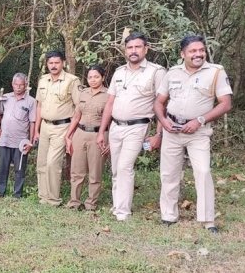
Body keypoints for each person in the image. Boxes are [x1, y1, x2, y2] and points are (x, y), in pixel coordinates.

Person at [154, 35, 233, 233]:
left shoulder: (215, 72)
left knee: (203, 171)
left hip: (198, 131)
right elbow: (158, 102)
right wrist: (163, 122)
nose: (198, 54)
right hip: (172, 130)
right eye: (193, 51)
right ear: (183, 54)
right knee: (169, 173)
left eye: (201, 50)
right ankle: (168, 215)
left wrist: (199, 120)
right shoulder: (172, 73)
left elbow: (225, 103)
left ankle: (208, 221)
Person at [97, 32, 167, 221]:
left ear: (146, 49)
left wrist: (158, 134)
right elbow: (110, 103)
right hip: (116, 127)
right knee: (115, 169)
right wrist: (102, 130)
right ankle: (117, 204)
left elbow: (162, 104)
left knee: (125, 167)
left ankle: (123, 212)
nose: (133, 51)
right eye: (130, 47)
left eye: (137, 47)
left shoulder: (156, 72)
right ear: (125, 50)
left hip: (137, 127)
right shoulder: (119, 72)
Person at [34, 51, 81, 206]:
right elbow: (39, 105)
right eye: (50, 63)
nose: (53, 66)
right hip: (45, 126)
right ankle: (43, 197)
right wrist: (36, 129)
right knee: (41, 162)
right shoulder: (43, 80)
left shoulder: (72, 81)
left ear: (63, 63)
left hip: (62, 127)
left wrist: (71, 133)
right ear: (47, 64)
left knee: (52, 163)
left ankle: (53, 199)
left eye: (56, 63)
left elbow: (79, 108)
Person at [64, 65, 110, 211]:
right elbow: (77, 116)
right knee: (76, 171)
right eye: (90, 77)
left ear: (103, 78)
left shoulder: (109, 95)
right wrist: (68, 135)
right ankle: (74, 202)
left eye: (96, 77)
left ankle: (91, 203)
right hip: (80, 134)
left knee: (95, 172)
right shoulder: (83, 93)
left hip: (98, 136)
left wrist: (110, 140)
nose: (93, 80)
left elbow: (112, 119)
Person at [0, 73, 36, 198]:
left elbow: (32, 122)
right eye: (16, 84)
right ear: (12, 84)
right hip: (5, 139)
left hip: (21, 141)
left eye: (21, 85)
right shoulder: (5, 97)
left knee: (19, 168)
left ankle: (17, 194)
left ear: (26, 85)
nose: (18, 87)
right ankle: (0, 192)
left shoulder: (31, 101)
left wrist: (30, 141)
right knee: (3, 167)